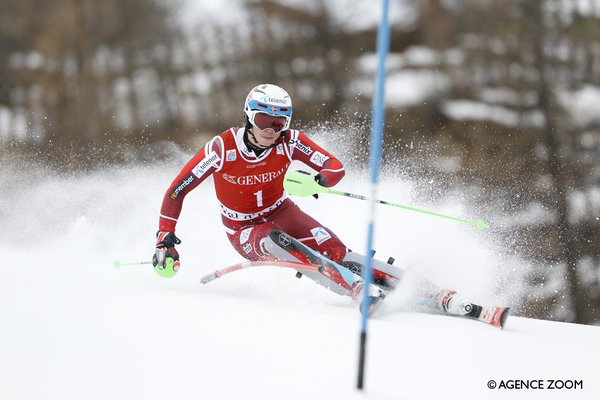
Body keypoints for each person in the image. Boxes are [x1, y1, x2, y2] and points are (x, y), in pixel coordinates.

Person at [152, 83, 505, 323]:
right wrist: (164, 238)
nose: (272, 129)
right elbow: (176, 190)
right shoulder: (221, 149)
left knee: (339, 252)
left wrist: (318, 180)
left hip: (283, 211)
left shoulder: (290, 142)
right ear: (248, 115)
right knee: (278, 241)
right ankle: (355, 288)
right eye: (264, 120)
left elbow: (335, 167)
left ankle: (439, 294)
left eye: (280, 121)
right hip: (244, 228)